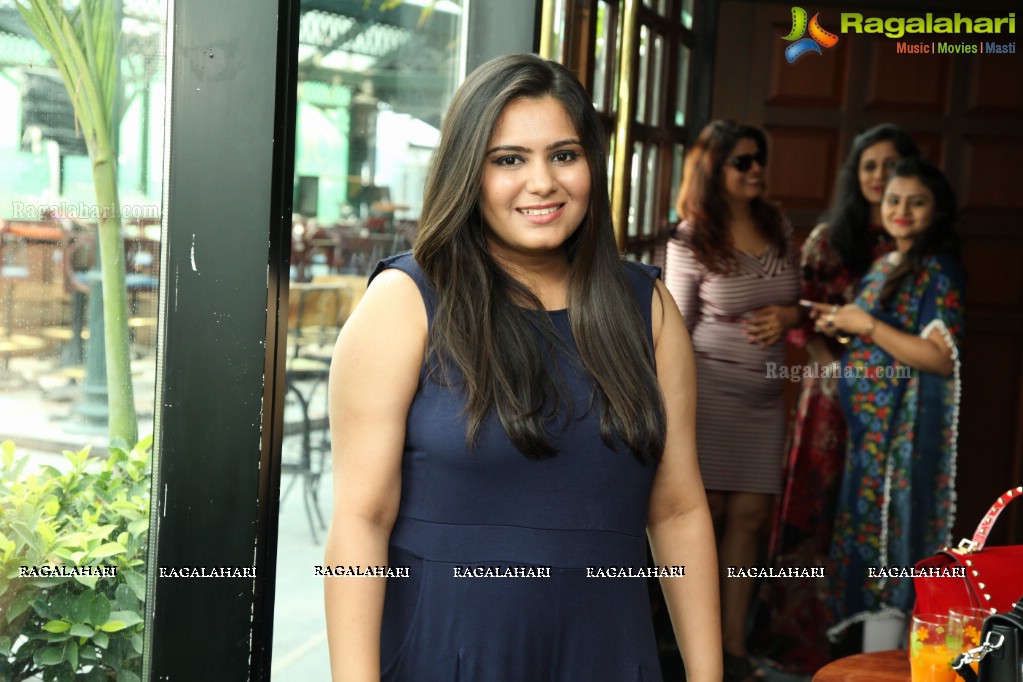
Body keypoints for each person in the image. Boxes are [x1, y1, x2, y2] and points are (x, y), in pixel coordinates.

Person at [323, 53, 722, 682]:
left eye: (564, 155)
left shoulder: (647, 308)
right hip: (444, 653)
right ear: (467, 172)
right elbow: (359, 520)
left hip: (608, 655)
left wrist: (707, 677)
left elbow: (677, 510)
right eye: (509, 160)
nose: (543, 182)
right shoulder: (404, 303)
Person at [760, 124, 919, 673]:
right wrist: (837, 367)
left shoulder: (915, 242)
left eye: (891, 164)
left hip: (900, 400)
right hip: (831, 394)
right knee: (816, 510)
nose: (880, 176)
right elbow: (800, 316)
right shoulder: (830, 238)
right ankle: (800, 643)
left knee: (880, 516)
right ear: (857, 174)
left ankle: (876, 652)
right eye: (870, 165)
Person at [804, 156, 964, 651]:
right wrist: (845, 324)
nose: (902, 210)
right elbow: (877, 337)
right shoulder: (884, 265)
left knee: (896, 555)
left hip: (902, 443)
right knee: (873, 555)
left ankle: (889, 664)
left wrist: (866, 326)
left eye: (917, 202)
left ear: (936, 211)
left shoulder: (938, 271)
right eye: (894, 200)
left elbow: (939, 357)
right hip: (869, 445)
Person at [664, 120, 800, 682]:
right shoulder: (690, 237)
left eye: (759, 159)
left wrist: (790, 317)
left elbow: (798, 301)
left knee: (750, 515)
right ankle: (691, 647)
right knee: (707, 514)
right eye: (742, 161)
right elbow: (671, 323)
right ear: (713, 169)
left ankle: (733, 644)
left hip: (766, 402)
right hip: (709, 395)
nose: (755, 170)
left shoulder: (778, 225)